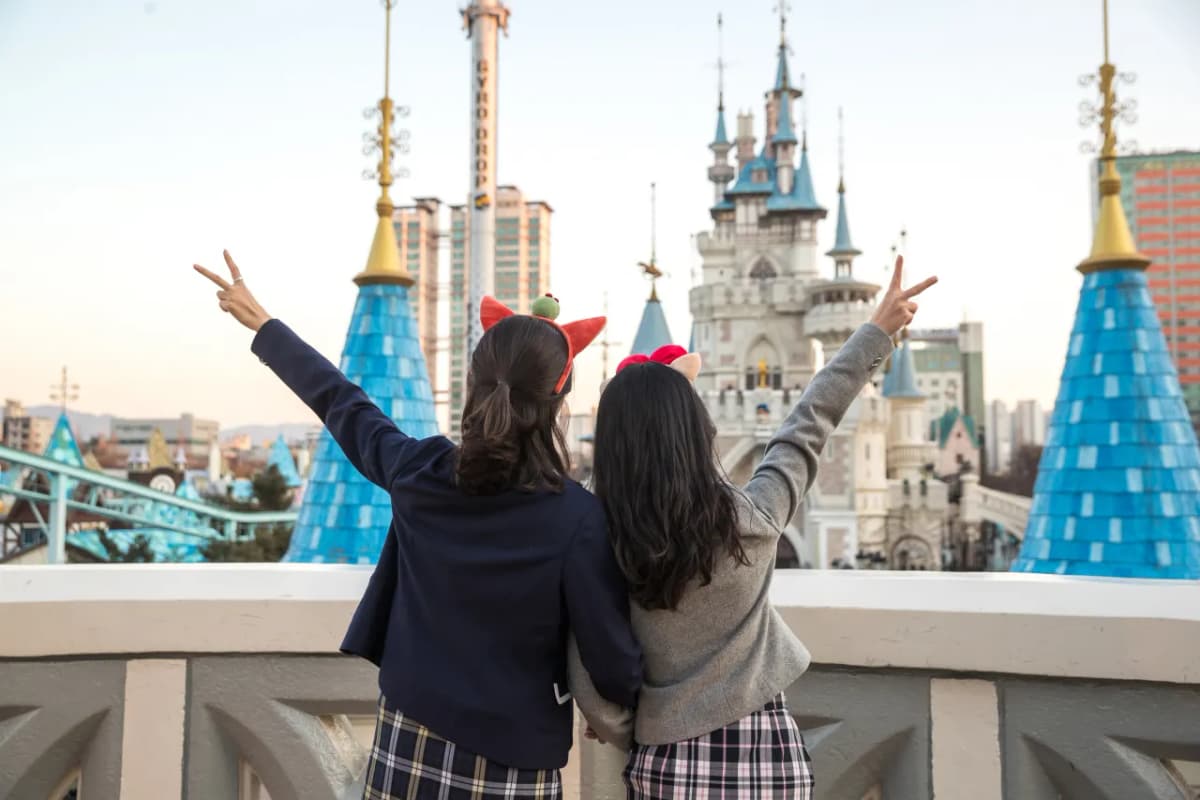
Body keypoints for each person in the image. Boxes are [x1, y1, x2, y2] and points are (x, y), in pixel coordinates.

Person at [195, 252, 641, 800]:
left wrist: (264, 324)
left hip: (407, 743)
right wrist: (620, 706)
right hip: (515, 760)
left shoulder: (421, 471)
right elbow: (610, 654)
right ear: (558, 402)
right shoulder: (578, 517)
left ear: (474, 385)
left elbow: (342, 403)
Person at [569, 256, 936, 799]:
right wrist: (875, 334)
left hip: (664, 767)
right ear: (697, 433)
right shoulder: (754, 521)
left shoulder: (597, 541)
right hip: (766, 761)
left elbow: (587, 662)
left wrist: (630, 731)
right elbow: (806, 427)